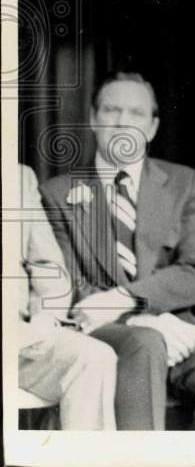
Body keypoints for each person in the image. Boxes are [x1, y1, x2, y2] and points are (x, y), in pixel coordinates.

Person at [40, 72, 195, 430]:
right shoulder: (57, 194)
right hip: (97, 329)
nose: (123, 121)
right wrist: (135, 319)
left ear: (153, 127)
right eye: (112, 110)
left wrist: (129, 300)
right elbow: (67, 283)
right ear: (94, 119)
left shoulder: (185, 184)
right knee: (145, 343)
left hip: (176, 328)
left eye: (136, 113)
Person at [15, 164, 118, 430]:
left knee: (94, 357)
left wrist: (46, 316)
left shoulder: (18, 176)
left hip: (20, 342)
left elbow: (48, 264)